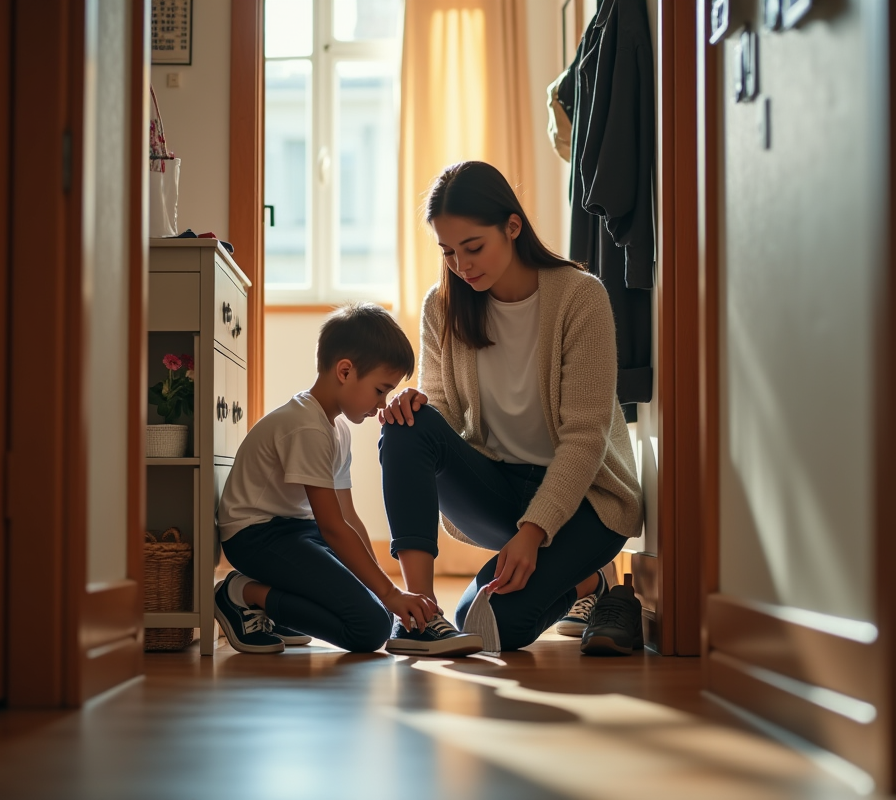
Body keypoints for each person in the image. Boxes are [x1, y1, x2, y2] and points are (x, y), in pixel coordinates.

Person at [380, 160, 646, 657]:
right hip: (500, 489)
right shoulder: (442, 306)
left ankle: (596, 584)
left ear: (513, 226)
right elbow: (443, 410)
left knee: (485, 626)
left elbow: (585, 438)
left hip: (585, 502)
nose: (462, 265)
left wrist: (533, 532)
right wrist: (414, 403)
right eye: (449, 252)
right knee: (406, 424)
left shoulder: (580, 298)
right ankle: (418, 610)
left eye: (473, 247)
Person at [215, 303, 480, 656]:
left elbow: (349, 519)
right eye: (380, 390)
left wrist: (382, 589)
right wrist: (388, 595)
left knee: (371, 602)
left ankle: (274, 604)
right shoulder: (306, 426)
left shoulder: (337, 427)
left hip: (296, 530)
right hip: (254, 535)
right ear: (344, 371)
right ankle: (241, 593)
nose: (382, 404)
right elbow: (333, 527)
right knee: (369, 628)